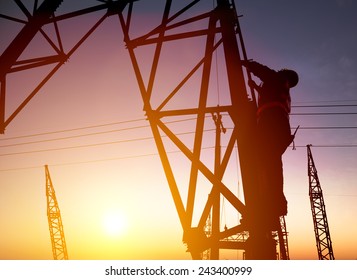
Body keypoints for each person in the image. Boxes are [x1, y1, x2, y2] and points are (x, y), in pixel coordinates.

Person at [242, 60, 299, 230]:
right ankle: (271, 209)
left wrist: (248, 64)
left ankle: (272, 207)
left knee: (268, 165)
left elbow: (266, 72)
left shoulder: (279, 79)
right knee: (270, 165)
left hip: (271, 124)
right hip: (277, 127)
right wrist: (256, 88)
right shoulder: (281, 88)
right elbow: (270, 94)